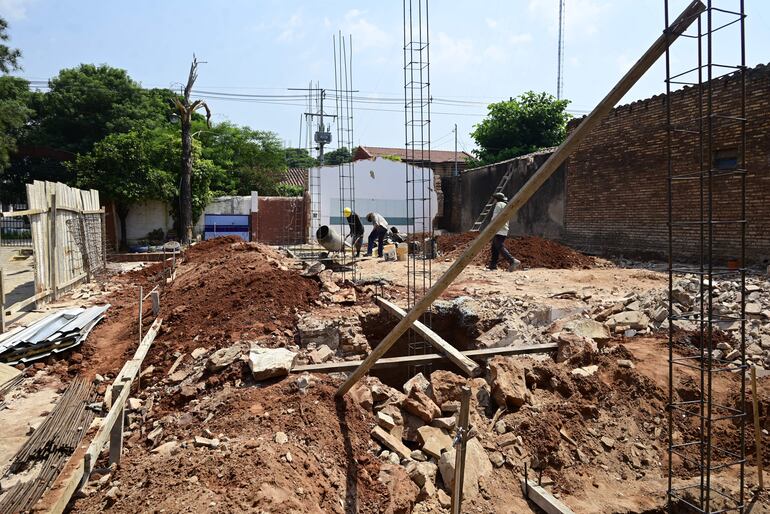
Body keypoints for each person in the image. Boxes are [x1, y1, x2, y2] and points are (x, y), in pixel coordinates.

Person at [488, 192, 521, 271]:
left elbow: (495, 217)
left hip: (499, 229)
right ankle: (493, 265)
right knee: (494, 247)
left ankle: (512, 261)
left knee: (499, 246)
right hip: (504, 228)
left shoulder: (499, 204)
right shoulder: (505, 205)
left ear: (497, 199)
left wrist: (490, 227)